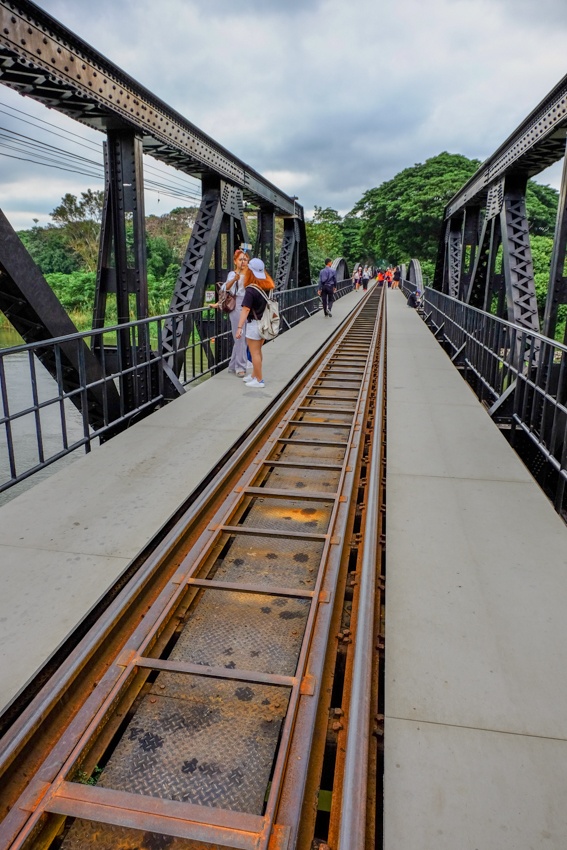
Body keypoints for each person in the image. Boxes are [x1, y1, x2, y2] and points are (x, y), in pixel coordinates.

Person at [236, 257, 275, 389]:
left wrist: (239, 327)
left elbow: (246, 309)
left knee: (254, 353)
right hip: (265, 324)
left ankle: (259, 380)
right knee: (258, 351)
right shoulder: (268, 287)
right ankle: (254, 375)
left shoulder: (251, 289)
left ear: (250, 271)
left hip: (254, 325)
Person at [213, 248, 250, 377]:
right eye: (240, 259)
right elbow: (224, 288)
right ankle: (240, 367)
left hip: (248, 304)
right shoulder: (232, 274)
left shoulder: (250, 274)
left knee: (243, 337)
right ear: (235, 261)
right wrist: (234, 279)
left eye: (245, 259)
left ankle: (233, 365)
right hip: (237, 304)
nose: (243, 262)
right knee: (239, 336)